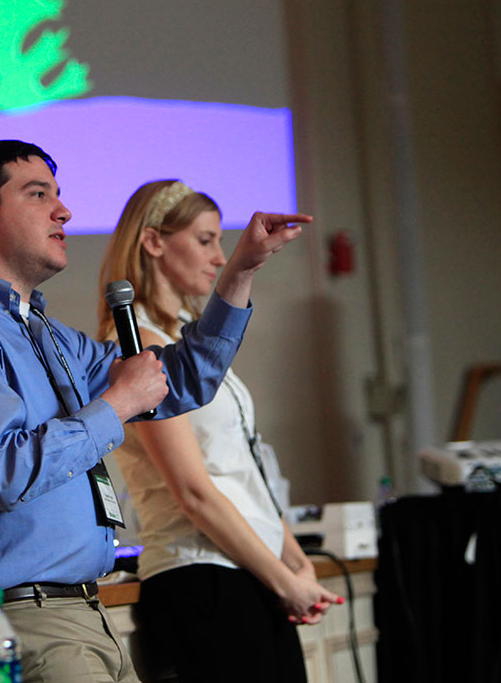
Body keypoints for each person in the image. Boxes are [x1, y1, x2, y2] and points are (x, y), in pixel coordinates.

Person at [0, 140, 308, 683]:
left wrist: (240, 272)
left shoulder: (49, 334)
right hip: (15, 622)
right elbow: (6, 473)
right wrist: (118, 402)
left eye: (58, 195)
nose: (63, 211)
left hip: (85, 611)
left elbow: (181, 380)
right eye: (38, 195)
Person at [97, 180, 341, 682]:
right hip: (201, 574)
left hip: (250, 569)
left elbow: (244, 470)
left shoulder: (183, 342)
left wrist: (296, 562)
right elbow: (193, 491)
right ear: (153, 242)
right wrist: (284, 580)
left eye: (221, 242)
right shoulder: (136, 345)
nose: (218, 256)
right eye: (205, 239)